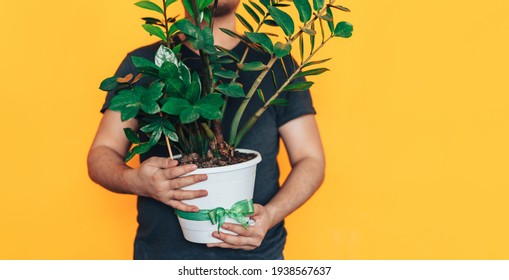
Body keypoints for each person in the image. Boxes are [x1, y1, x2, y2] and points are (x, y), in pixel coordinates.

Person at [87, 0, 325, 260]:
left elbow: (310, 159)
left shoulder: (276, 64)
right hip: (162, 257)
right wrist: (136, 181)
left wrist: (270, 215)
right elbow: (103, 151)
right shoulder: (146, 64)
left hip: (257, 260)